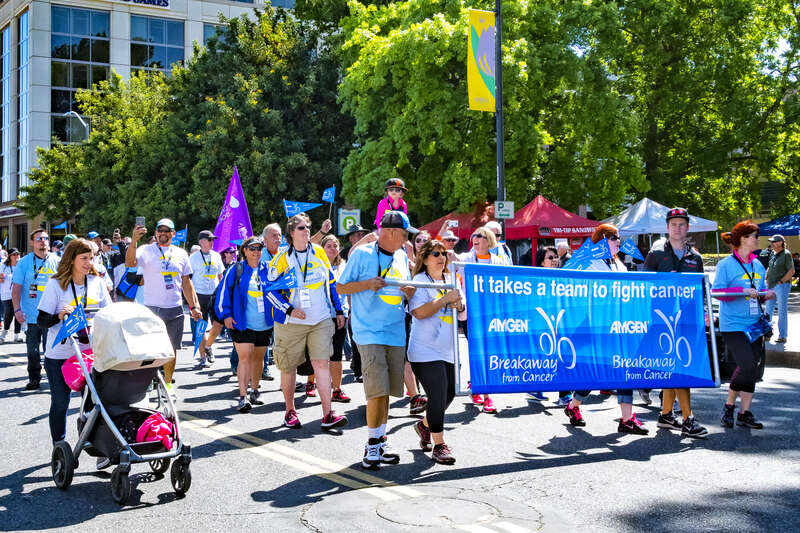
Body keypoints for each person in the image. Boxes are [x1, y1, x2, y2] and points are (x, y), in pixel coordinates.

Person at [337, 210, 416, 469]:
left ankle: (380, 439)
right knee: (376, 390)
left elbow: (406, 292)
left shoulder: (403, 256)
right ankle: (371, 445)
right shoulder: (361, 254)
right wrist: (366, 284)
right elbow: (340, 287)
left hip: (395, 330)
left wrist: (408, 291)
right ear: (391, 232)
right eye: (405, 235)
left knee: (388, 392)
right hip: (368, 331)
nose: (407, 240)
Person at [564, 223, 649, 435]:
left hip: (619, 325)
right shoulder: (590, 263)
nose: (618, 241)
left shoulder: (619, 264)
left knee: (622, 369)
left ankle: (627, 418)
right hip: (597, 325)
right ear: (601, 240)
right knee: (598, 372)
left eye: (618, 237)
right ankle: (574, 405)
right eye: (613, 237)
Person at [266, 214, 347, 431]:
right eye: (302, 228)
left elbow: (331, 282)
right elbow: (269, 290)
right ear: (291, 233)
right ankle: (290, 411)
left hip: (320, 319)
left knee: (321, 363)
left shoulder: (319, 252)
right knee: (289, 367)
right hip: (291, 323)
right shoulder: (283, 256)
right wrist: (289, 309)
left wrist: (338, 310)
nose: (307, 231)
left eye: (308, 227)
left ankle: (328, 413)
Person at [36, 239, 111, 450]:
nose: (89, 263)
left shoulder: (97, 282)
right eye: (84, 258)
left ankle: (95, 446)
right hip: (60, 354)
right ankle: (59, 447)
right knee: (61, 403)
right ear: (71, 259)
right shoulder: (56, 284)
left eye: (92, 258)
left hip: (89, 353)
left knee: (93, 404)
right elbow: (41, 320)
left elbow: (110, 313)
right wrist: (59, 315)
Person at [642, 207, 708, 438]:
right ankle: (688, 418)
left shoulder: (695, 257)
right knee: (679, 367)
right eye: (673, 224)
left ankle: (666, 414)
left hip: (688, 322)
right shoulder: (656, 253)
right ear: (667, 228)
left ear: (687, 227)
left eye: (682, 224)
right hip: (662, 322)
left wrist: (706, 314)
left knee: (676, 366)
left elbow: (701, 292)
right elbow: (644, 287)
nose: (677, 228)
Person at [126, 218, 202, 398]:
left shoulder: (181, 253)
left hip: (174, 308)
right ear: (155, 233)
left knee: (171, 350)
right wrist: (134, 240)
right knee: (149, 349)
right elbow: (130, 263)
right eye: (160, 230)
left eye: (167, 230)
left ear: (173, 234)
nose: (163, 233)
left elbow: (186, 282)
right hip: (151, 308)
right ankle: (147, 382)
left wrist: (194, 306)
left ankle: (168, 384)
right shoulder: (145, 250)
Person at [714, 221, 775, 430]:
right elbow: (717, 293)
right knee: (747, 364)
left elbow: (760, 290)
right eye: (754, 236)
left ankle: (744, 413)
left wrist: (766, 295)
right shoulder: (725, 265)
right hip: (733, 325)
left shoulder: (757, 264)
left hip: (755, 324)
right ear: (742, 239)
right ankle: (729, 406)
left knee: (753, 369)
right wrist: (741, 291)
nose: (757, 240)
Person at [408, 240, 464, 464]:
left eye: (444, 253)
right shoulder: (419, 281)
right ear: (424, 258)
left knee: (449, 395)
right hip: (424, 350)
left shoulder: (451, 280)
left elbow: (462, 314)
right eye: (435, 254)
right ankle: (439, 445)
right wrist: (444, 300)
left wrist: (458, 305)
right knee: (438, 394)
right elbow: (419, 312)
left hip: (448, 348)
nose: (441, 257)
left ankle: (424, 425)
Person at [216, 236, 273, 412]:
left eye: (259, 248)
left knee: (258, 358)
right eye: (252, 248)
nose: (256, 252)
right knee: (245, 357)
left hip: (264, 323)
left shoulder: (269, 270)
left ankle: (255, 390)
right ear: (244, 251)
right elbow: (223, 293)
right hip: (241, 323)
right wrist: (226, 314)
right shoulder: (236, 269)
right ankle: (243, 396)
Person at [457, 226, 507, 414]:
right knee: (478, 351)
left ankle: (476, 383)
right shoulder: (466, 258)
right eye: (473, 236)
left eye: (479, 236)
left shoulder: (499, 262)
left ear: (489, 240)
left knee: (487, 352)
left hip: (492, 315)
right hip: (471, 314)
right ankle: (486, 394)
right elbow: (450, 258)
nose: (474, 238)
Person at [12, 229, 60, 390]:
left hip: (52, 316)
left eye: (45, 238)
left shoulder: (57, 261)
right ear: (32, 242)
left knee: (51, 351)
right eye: (38, 238)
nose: (42, 241)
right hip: (31, 316)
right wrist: (17, 310)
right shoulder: (24, 262)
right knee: (32, 351)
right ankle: (34, 378)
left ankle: (53, 379)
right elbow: (16, 288)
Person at [530, 247, 571, 406]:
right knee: (543, 357)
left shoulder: (563, 277)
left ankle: (565, 394)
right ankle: (536, 387)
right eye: (550, 257)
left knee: (563, 356)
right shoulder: (535, 280)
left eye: (556, 257)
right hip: (542, 325)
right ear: (541, 262)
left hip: (561, 324)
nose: (555, 260)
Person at [321, 234, 352, 403]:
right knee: (321, 355)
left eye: (335, 245)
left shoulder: (343, 265)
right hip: (322, 316)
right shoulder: (317, 265)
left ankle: (337, 389)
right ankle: (317, 384)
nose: (333, 248)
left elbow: (347, 290)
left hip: (341, 315)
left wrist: (349, 311)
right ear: (322, 248)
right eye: (329, 246)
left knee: (337, 354)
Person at [189, 230, 225, 367]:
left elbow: (220, 276)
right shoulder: (193, 258)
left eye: (212, 240)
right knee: (200, 327)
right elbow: (188, 279)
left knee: (218, 324)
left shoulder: (216, 256)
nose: (212, 242)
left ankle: (208, 346)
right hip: (199, 295)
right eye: (209, 240)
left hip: (214, 295)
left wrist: (223, 293)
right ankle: (203, 356)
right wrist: (191, 299)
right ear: (201, 241)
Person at [764, 234, 793, 343]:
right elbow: (769, 267)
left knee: (781, 310)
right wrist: (766, 277)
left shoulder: (786, 254)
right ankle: (767, 333)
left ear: (781, 242)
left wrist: (781, 281)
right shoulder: (772, 253)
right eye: (771, 241)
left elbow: (791, 271)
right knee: (768, 310)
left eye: (774, 241)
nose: (771, 243)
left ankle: (783, 336)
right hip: (771, 285)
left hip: (782, 285)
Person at [0, 249, 22, 342]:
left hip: (19, 294)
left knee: (18, 313)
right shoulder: (4, 266)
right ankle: (5, 331)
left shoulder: (21, 266)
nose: (16, 256)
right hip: (6, 294)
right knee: (9, 313)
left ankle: (17, 335)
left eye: (18, 254)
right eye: (14, 254)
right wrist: (1, 278)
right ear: (9, 256)